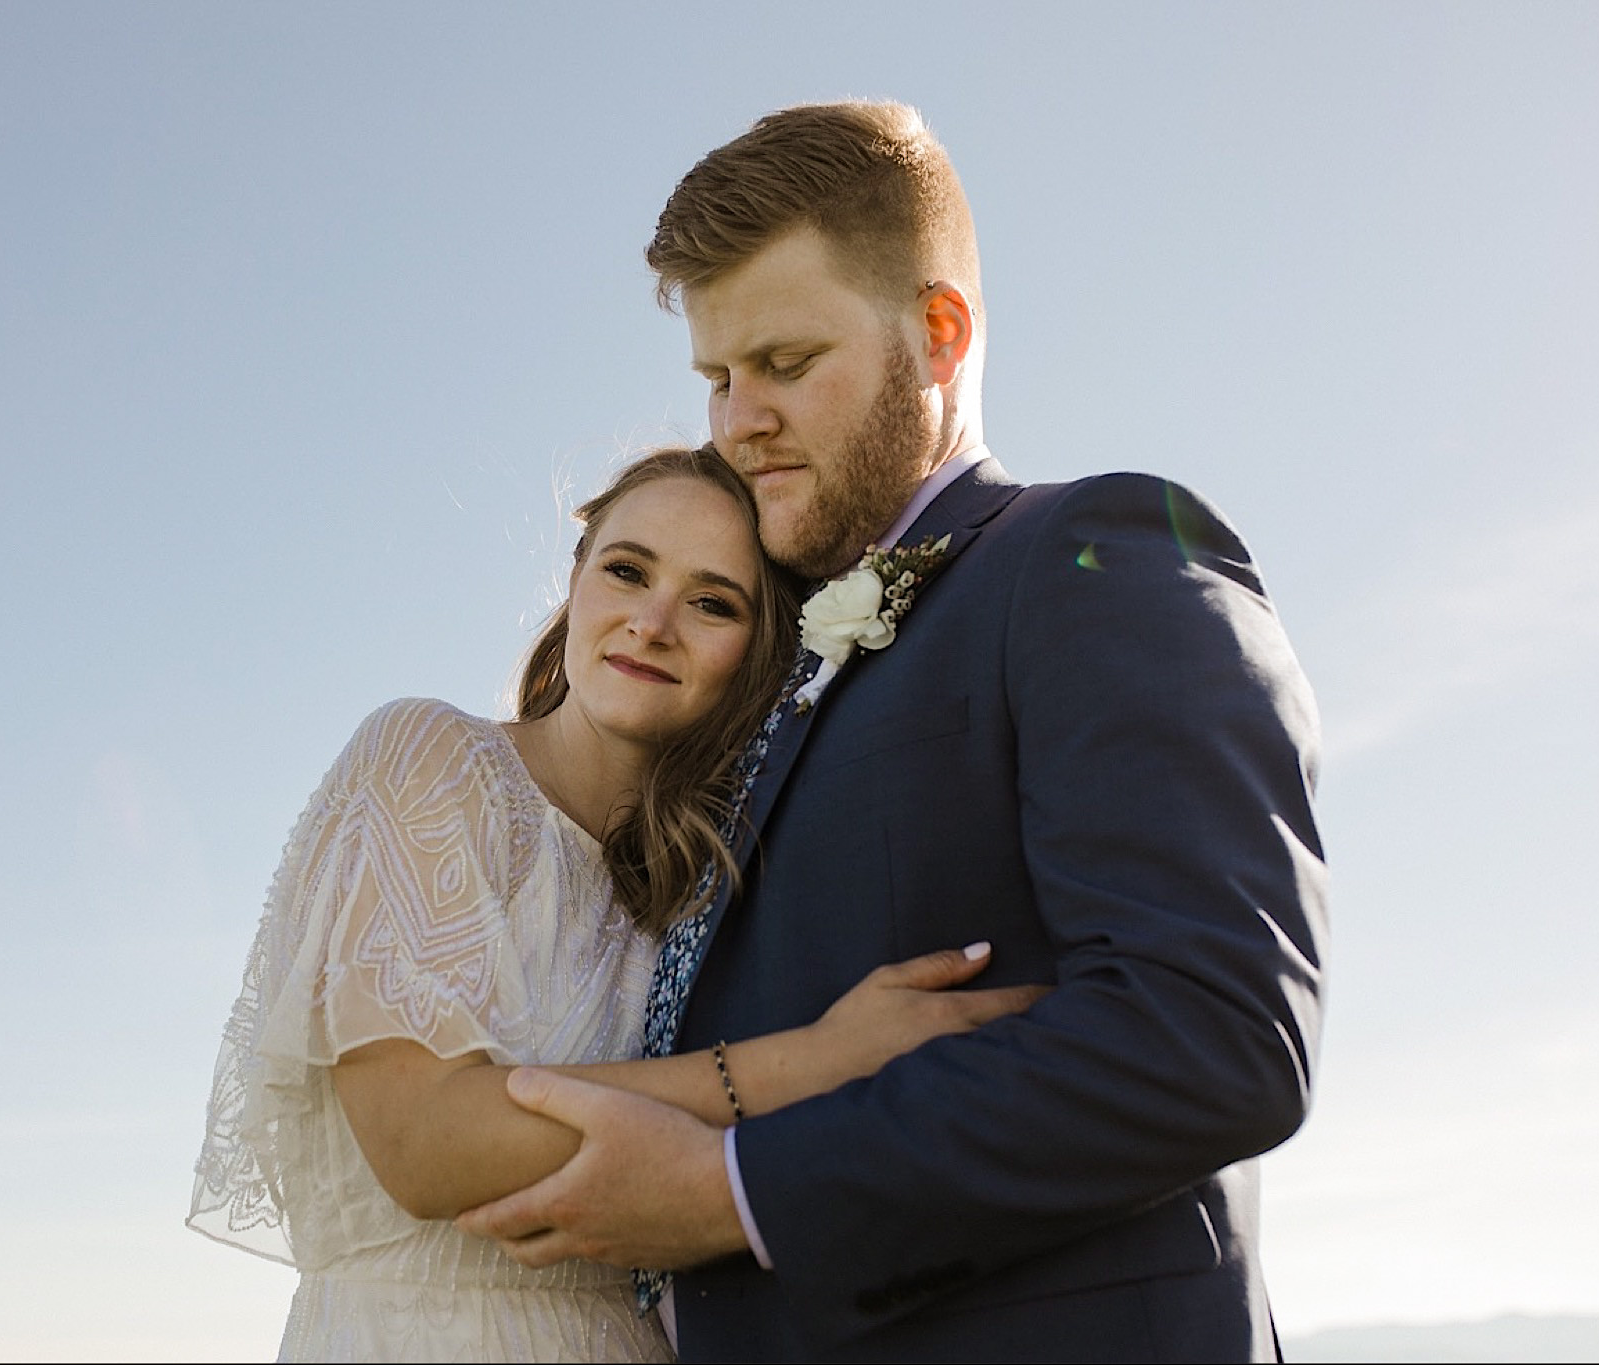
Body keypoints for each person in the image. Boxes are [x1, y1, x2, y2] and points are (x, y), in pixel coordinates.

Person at [455, 102, 1329, 1362]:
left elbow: (1212, 1032)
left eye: (785, 362)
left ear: (938, 332)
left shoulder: (1094, 557)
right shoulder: (764, 650)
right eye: (716, 379)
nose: (736, 422)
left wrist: (734, 1192)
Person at [186, 445, 1046, 1361]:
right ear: (576, 579)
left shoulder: (719, 881)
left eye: (713, 603)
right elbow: (423, 1141)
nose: (652, 623)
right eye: (628, 571)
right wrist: (818, 1061)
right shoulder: (431, 762)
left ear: (761, 651)